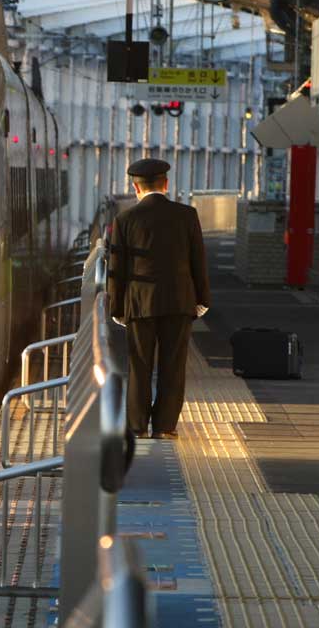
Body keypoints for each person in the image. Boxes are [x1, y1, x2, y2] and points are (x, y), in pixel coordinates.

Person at [106, 159, 211, 440]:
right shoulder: (187, 215)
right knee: (173, 365)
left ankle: (137, 426)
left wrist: (116, 307)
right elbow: (198, 261)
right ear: (166, 184)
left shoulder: (124, 220)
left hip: (140, 303)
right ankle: (165, 426)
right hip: (179, 301)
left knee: (139, 365)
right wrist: (202, 300)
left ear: (135, 187)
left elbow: (117, 269)